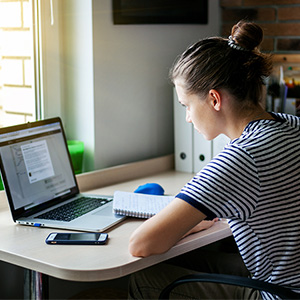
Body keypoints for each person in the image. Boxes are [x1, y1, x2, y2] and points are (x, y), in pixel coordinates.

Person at [127, 20, 300, 299]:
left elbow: (142, 244)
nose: (187, 117)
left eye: (187, 105)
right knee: (185, 262)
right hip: (289, 278)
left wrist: (181, 223)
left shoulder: (240, 158)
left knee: (145, 277)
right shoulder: (293, 125)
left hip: (280, 295)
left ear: (214, 99)